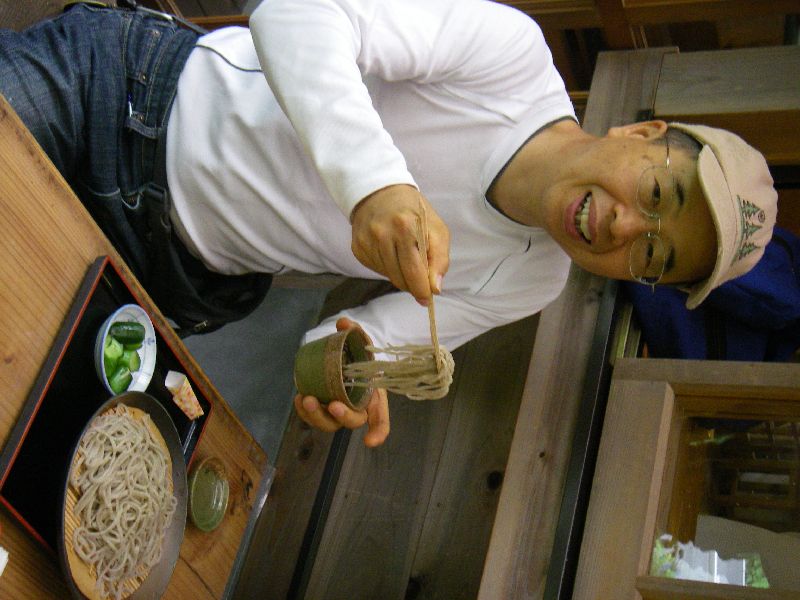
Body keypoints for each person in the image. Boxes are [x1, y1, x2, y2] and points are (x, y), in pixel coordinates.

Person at [0, 0, 778, 448]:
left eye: (653, 255)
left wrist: (352, 373)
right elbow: (295, 15)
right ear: (642, 134)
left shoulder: (534, 279)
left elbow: (347, 339)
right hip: (124, 96)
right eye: (657, 193)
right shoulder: (511, 59)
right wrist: (374, 184)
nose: (623, 226)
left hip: (179, 279)